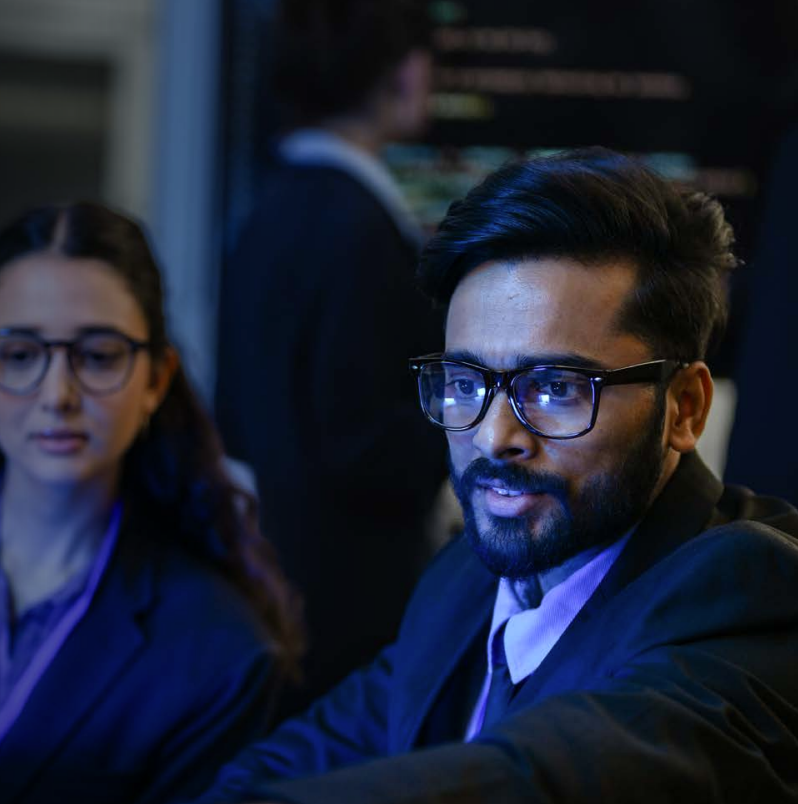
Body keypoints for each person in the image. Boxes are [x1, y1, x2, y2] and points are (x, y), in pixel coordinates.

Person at [198, 148, 798, 803]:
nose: (493, 436)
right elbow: (301, 758)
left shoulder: (746, 592)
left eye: (555, 387)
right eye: (465, 382)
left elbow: (539, 777)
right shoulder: (465, 579)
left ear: (683, 408)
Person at [0, 202, 303, 804]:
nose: (58, 395)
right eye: (21, 355)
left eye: (99, 356)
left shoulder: (220, 656)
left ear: (156, 381)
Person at [215, 0, 446, 709]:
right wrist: (472, 418)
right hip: (353, 608)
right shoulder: (356, 226)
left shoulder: (266, 213)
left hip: (273, 594)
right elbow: (361, 441)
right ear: (405, 67)